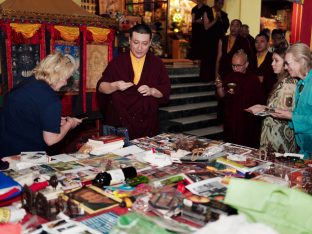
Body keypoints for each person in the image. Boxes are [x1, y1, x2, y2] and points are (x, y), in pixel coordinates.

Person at [0, 53, 82, 159]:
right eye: (66, 78)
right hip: (27, 158)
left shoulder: (26, 83)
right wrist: (69, 124)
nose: (66, 83)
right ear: (58, 76)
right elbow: (51, 140)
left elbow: (25, 115)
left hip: (5, 152)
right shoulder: (50, 98)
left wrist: (52, 121)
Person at [96, 24, 171, 140]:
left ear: (150, 42)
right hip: (120, 123)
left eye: (144, 43)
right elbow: (101, 87)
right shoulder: (118, 62)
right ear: (129, 40)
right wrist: (114, 86)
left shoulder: (157, 64)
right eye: (136, 42)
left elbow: (165, 91)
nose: (140, 48)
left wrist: (152, 91)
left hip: (147, 123)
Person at [246, 44, 298, 153]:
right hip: (273, 135)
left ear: (286, 63)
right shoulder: (282, 81)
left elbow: (285, 113)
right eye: (272, 60)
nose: (272, 63)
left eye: (276, 60)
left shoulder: (288, 84)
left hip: (280, 139)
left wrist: (262, 109)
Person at [269, 43, 312, 158]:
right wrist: (285, 114)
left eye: (287, 63)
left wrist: (291, 116)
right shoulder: (300, 83)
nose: (286, 67)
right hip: (305, 149)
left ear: (301, 61)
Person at [215, 50, 265, 148]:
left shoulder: (253, 79)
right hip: (232, 118)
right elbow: (222, 96)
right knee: (231, 144)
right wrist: (219, 87)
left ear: (246, 64)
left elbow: (260, 100)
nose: (235, 68)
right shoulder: (229, 76)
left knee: (247, 145)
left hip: (247, 120)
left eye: (238, 65)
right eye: (233, 65)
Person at [200, 0, 229, 81]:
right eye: (219, 3)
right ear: (215, 3)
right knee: (209, 58)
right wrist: (215, 20)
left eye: (222, 4)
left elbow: (226, 27)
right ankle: (206, 78)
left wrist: (221, 19)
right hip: (209, 40)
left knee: (218, 58)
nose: (220, 5)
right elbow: (206, 27)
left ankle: (217, 77)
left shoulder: (224, 14)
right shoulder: (207, 11)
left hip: (220, 40)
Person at [255, 32, 276, 101]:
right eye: (256, 42)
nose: (259, 44)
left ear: (267, 43)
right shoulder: (250, 57)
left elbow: (276, 77)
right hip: (252, 93)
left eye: (262, 41)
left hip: (267, 93)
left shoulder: (272, 58)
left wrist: (265, 79)